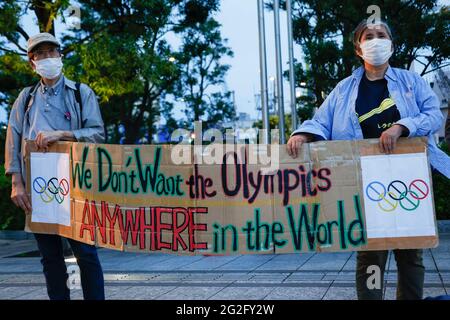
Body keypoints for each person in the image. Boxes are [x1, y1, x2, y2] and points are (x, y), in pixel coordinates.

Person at [287, 19, 450, 300]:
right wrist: (303, 135)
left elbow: (434, 116)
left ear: (391, 44)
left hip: (409, 177)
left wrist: (403, 126)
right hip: (366, 180)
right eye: (368, 36)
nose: (375, 40)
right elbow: (321, 123)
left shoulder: (412, 82)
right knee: (371, 254)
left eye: (381, 35)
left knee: (411, 252)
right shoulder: (343, 90)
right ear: (359, 49)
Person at [4, 32, 105, 300]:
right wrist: (17, 182)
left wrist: (62, 134)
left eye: (52, 52)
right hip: (39, 190)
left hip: (77, 188)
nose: (48, 58)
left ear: (61, 56)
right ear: (32, 62)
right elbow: (12, 140)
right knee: (50, 258)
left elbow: (97, 133)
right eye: (41, 54)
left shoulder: (82, 93)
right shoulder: (25, 99)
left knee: (86, 254)